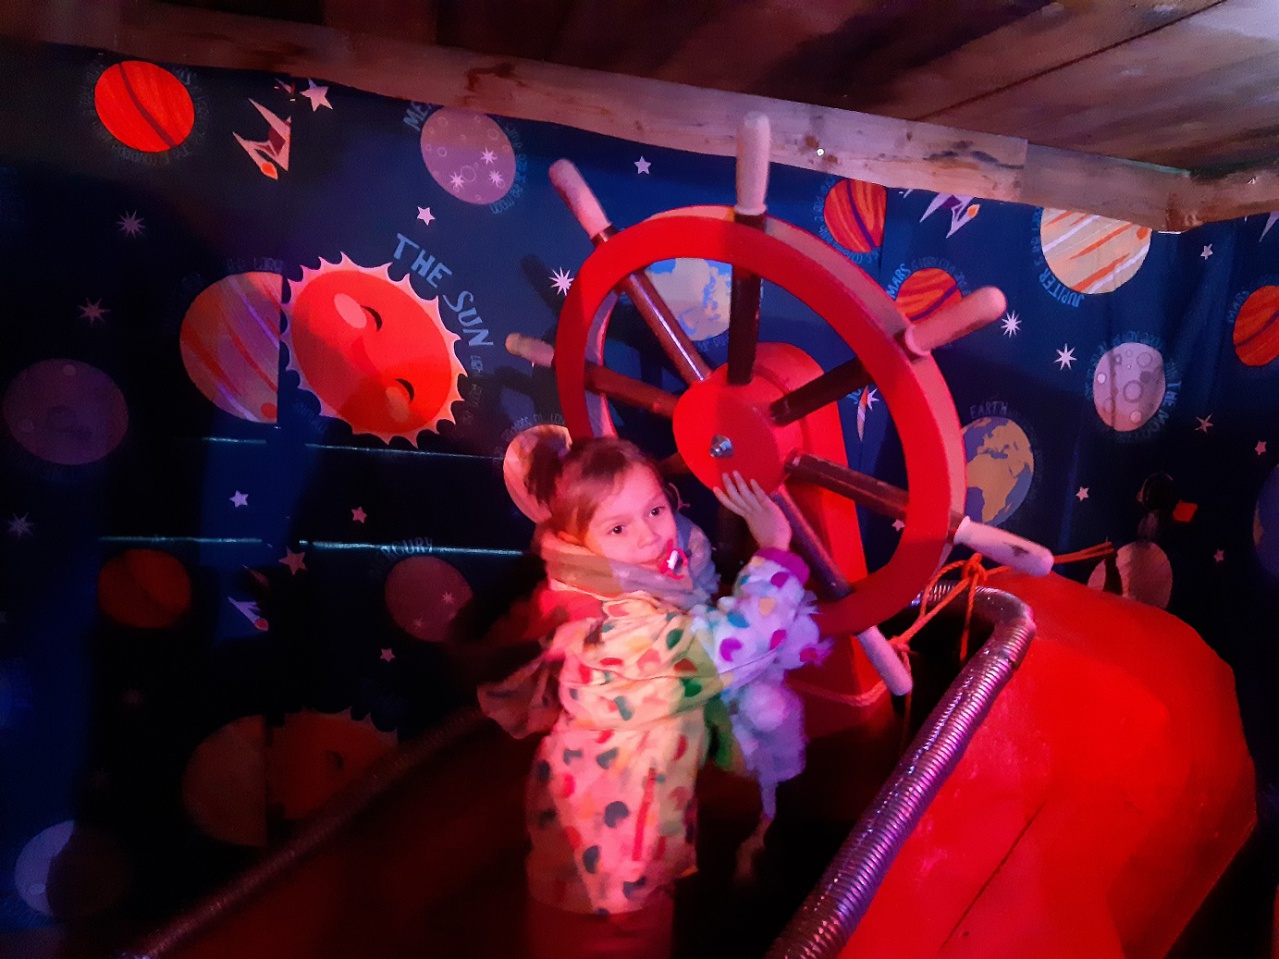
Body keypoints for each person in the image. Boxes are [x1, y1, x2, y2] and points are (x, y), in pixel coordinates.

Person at [479, 435, 827, 959]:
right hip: (608, 872)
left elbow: (687, 572)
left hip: (615, 838)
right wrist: (774, 551)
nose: (649, 535)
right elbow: (737, 645)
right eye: (618, 528)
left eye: (656, 510)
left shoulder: (602, 585)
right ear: (578, 540)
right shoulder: (621, 635)